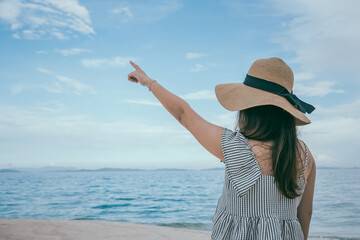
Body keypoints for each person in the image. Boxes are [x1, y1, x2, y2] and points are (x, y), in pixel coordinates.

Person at [127, 57, 316, 240]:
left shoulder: (236, 147)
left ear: (248, 108)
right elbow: (305, 213)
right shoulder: (305, 157)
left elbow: (184, 114)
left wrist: (149, 82)